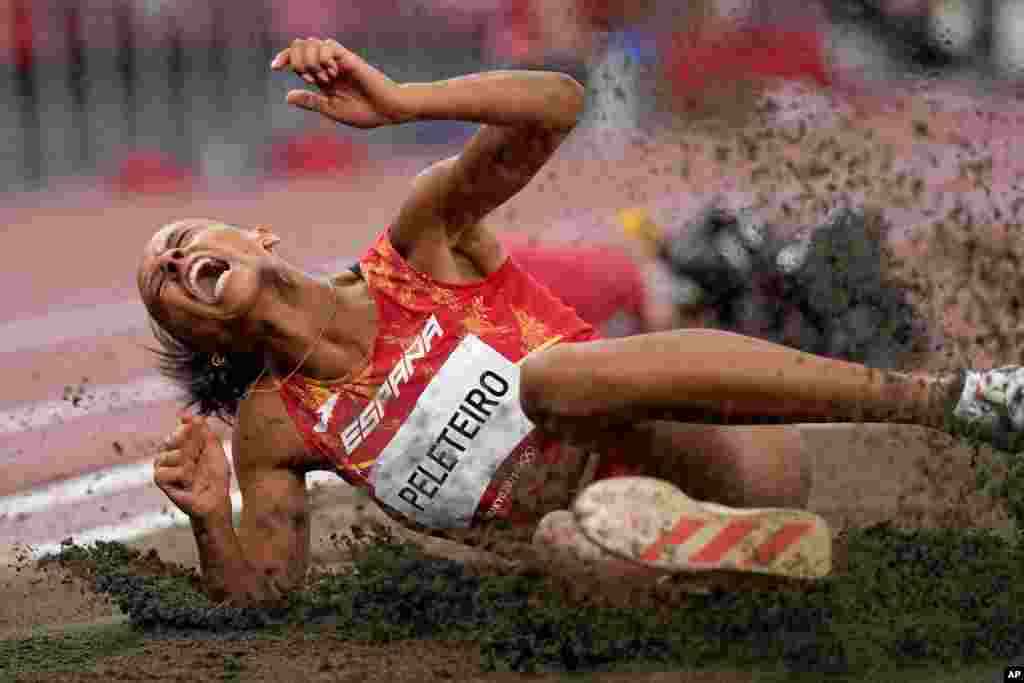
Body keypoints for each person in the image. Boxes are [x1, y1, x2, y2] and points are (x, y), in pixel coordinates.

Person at [140, 37, 1019, 605]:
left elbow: (559, 103)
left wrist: (408, 104)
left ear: (252, 235)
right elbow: (268, 594)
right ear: (197, 338)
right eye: (162, 283)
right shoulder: (274, 426)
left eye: (179, 242)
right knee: (566, 542)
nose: (177, 263)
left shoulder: (416, 250)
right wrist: (212, 520)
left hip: (720, 452)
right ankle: (751, 567)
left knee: (550, 379)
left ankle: (958, 399)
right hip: (624, 556)